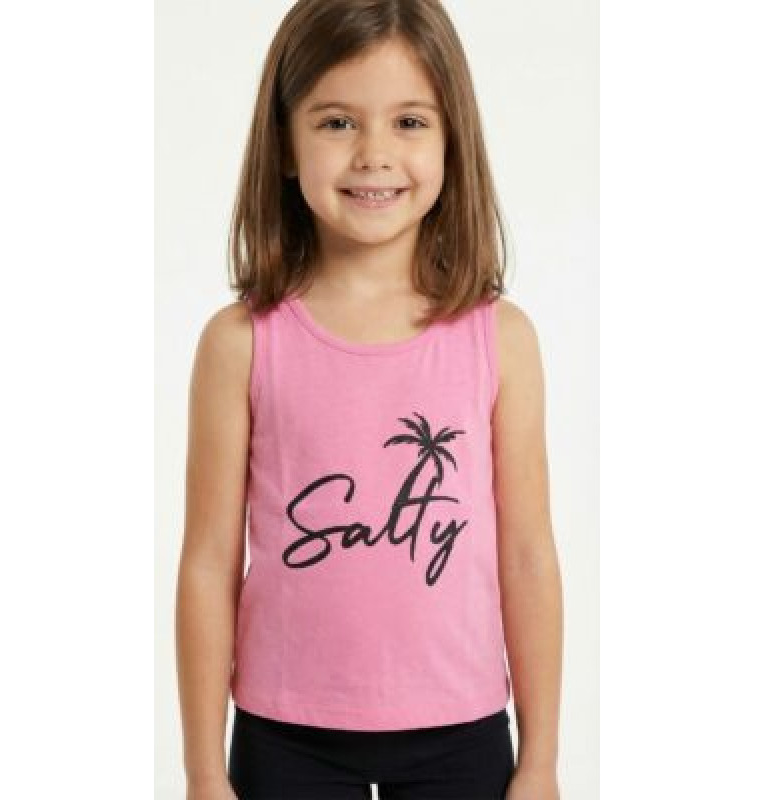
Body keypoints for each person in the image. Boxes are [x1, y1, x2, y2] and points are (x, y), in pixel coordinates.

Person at [175, 1, 563, 798]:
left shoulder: (501, 339)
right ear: (285, 144)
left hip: (462, 736)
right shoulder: (240, 343)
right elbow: (209, 562)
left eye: (410, 121)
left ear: (453, 140)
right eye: (337, 122)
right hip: (285, 739)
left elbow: (527, 554)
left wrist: (542, 761)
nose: (374, 154)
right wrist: (203, 772)